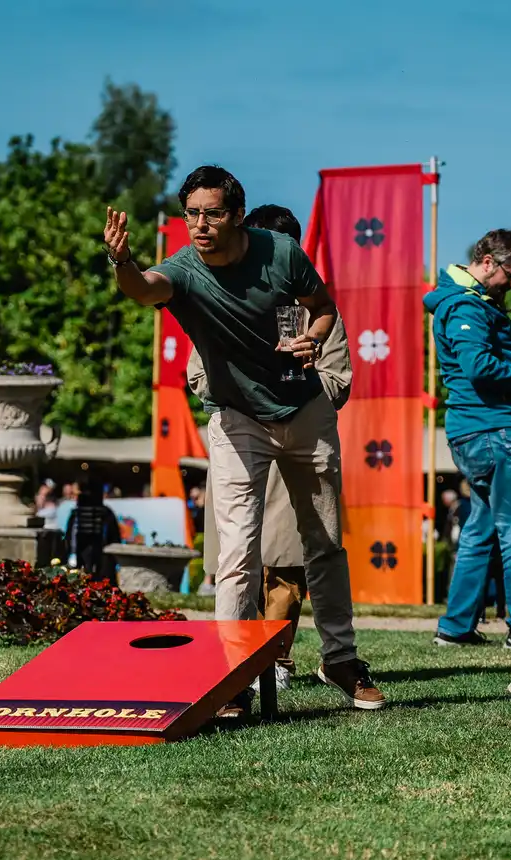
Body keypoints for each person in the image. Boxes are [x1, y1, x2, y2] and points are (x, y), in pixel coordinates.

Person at [104, 165, 384, 710]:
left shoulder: (280, 252)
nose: (200, 225)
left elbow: (325, 309)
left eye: (212, 213)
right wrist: (121, 260)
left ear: (236, 214)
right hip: (236, 421)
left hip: (304, 412)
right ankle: (231, 675)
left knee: (323, 544)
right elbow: (142, 289)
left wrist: (312, 338)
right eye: (192, 214)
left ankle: (341, 660)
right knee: (237, 555)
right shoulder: (183, 270)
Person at [191, 204, 353, 697]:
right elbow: (198, 376)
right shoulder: (221, 299)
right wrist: (243, 389)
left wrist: (295, 388)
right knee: (236, 560)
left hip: (296, 450)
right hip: (242, 443)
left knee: (290, 562)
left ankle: (281, 657)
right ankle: (233, 668)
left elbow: (337, 381)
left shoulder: (315, 310)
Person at [426, 229, 511, 650]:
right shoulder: (466, 306)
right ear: (487, 261)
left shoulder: (462, 303)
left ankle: (455, 627)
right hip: (497, 432)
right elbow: (479, 366)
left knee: (480, 531)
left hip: (476, 433)